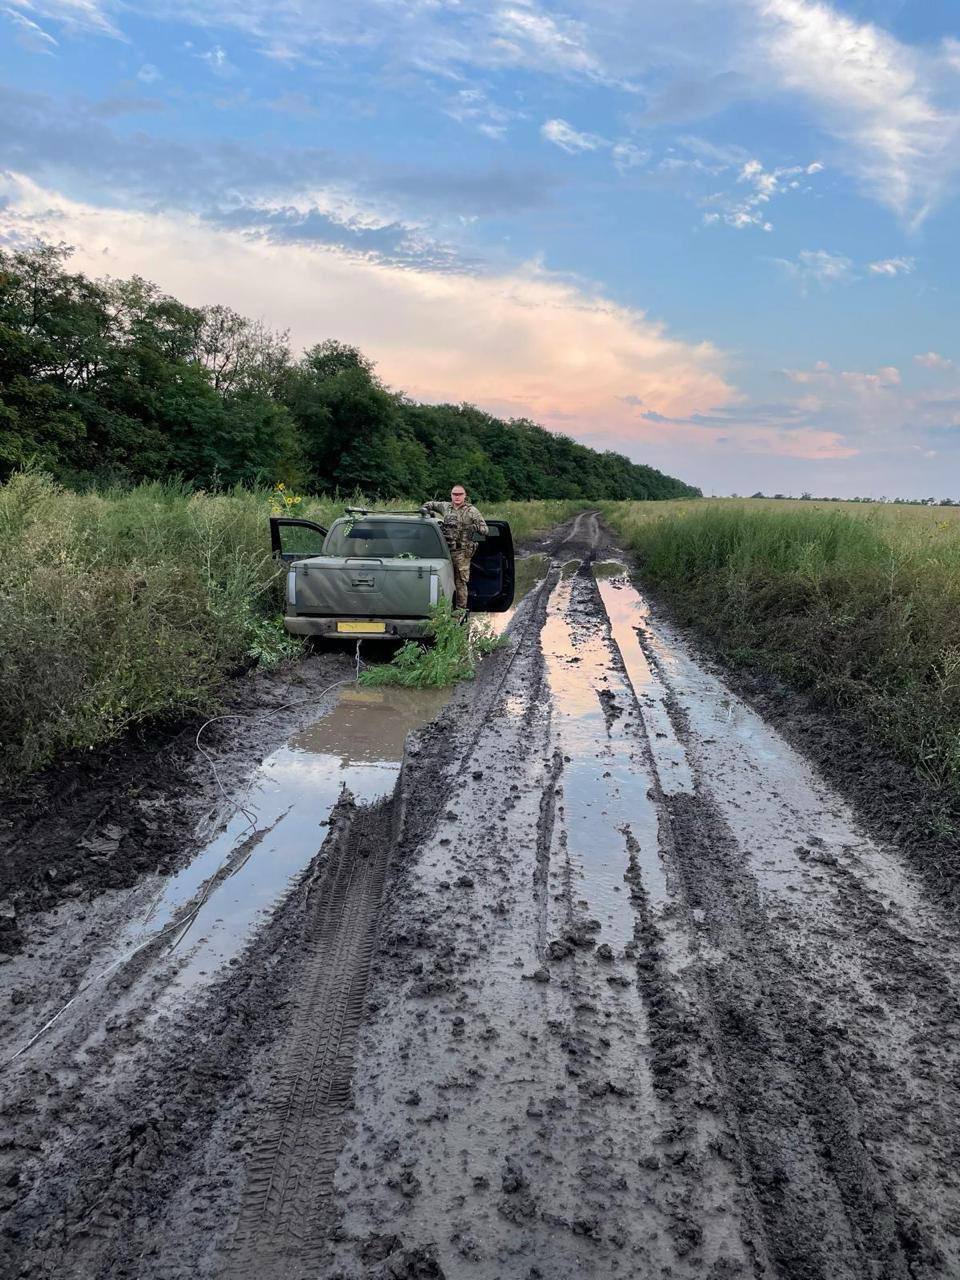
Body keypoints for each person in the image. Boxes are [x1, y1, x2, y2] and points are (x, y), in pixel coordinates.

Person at [421, 485, 489, 610]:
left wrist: (474, 527)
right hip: (444, 551)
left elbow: (485, 530)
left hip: (461, 552)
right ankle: (441, 608)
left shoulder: (472, 511)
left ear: (465, 495)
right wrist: (425, 510)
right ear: (451, 495)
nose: (457, 496)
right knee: (441, 579)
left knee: (460, 582)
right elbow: (430, 504)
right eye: (454, 494)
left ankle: (460, 611)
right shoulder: (445, 506)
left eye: (460, 494)